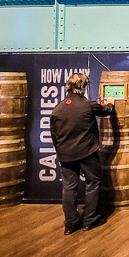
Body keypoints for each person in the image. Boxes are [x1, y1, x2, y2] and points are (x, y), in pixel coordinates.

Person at [50, 73, 114, 235]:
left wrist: (61, 151)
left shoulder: (58, 108)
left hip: (65, 154)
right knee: (93, 183)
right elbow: (106, 110)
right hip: (87, 153)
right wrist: (111, 104)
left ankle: (70, 223)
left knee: (69, 188)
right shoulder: (87, 105)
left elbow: (54, 135)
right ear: (83, 87)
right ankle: (90, 219)